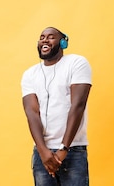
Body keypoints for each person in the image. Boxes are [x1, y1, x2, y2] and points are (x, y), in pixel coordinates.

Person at [21, 27, 92, 186]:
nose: (45, 40)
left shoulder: (77, 63)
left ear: (62, 43)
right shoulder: (29, 74)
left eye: (51, 37)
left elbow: (78, 105)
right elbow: (31, 112)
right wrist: (43, 152)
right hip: (42, 154)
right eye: (42, 37)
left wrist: (63, 149)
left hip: (73, 151)